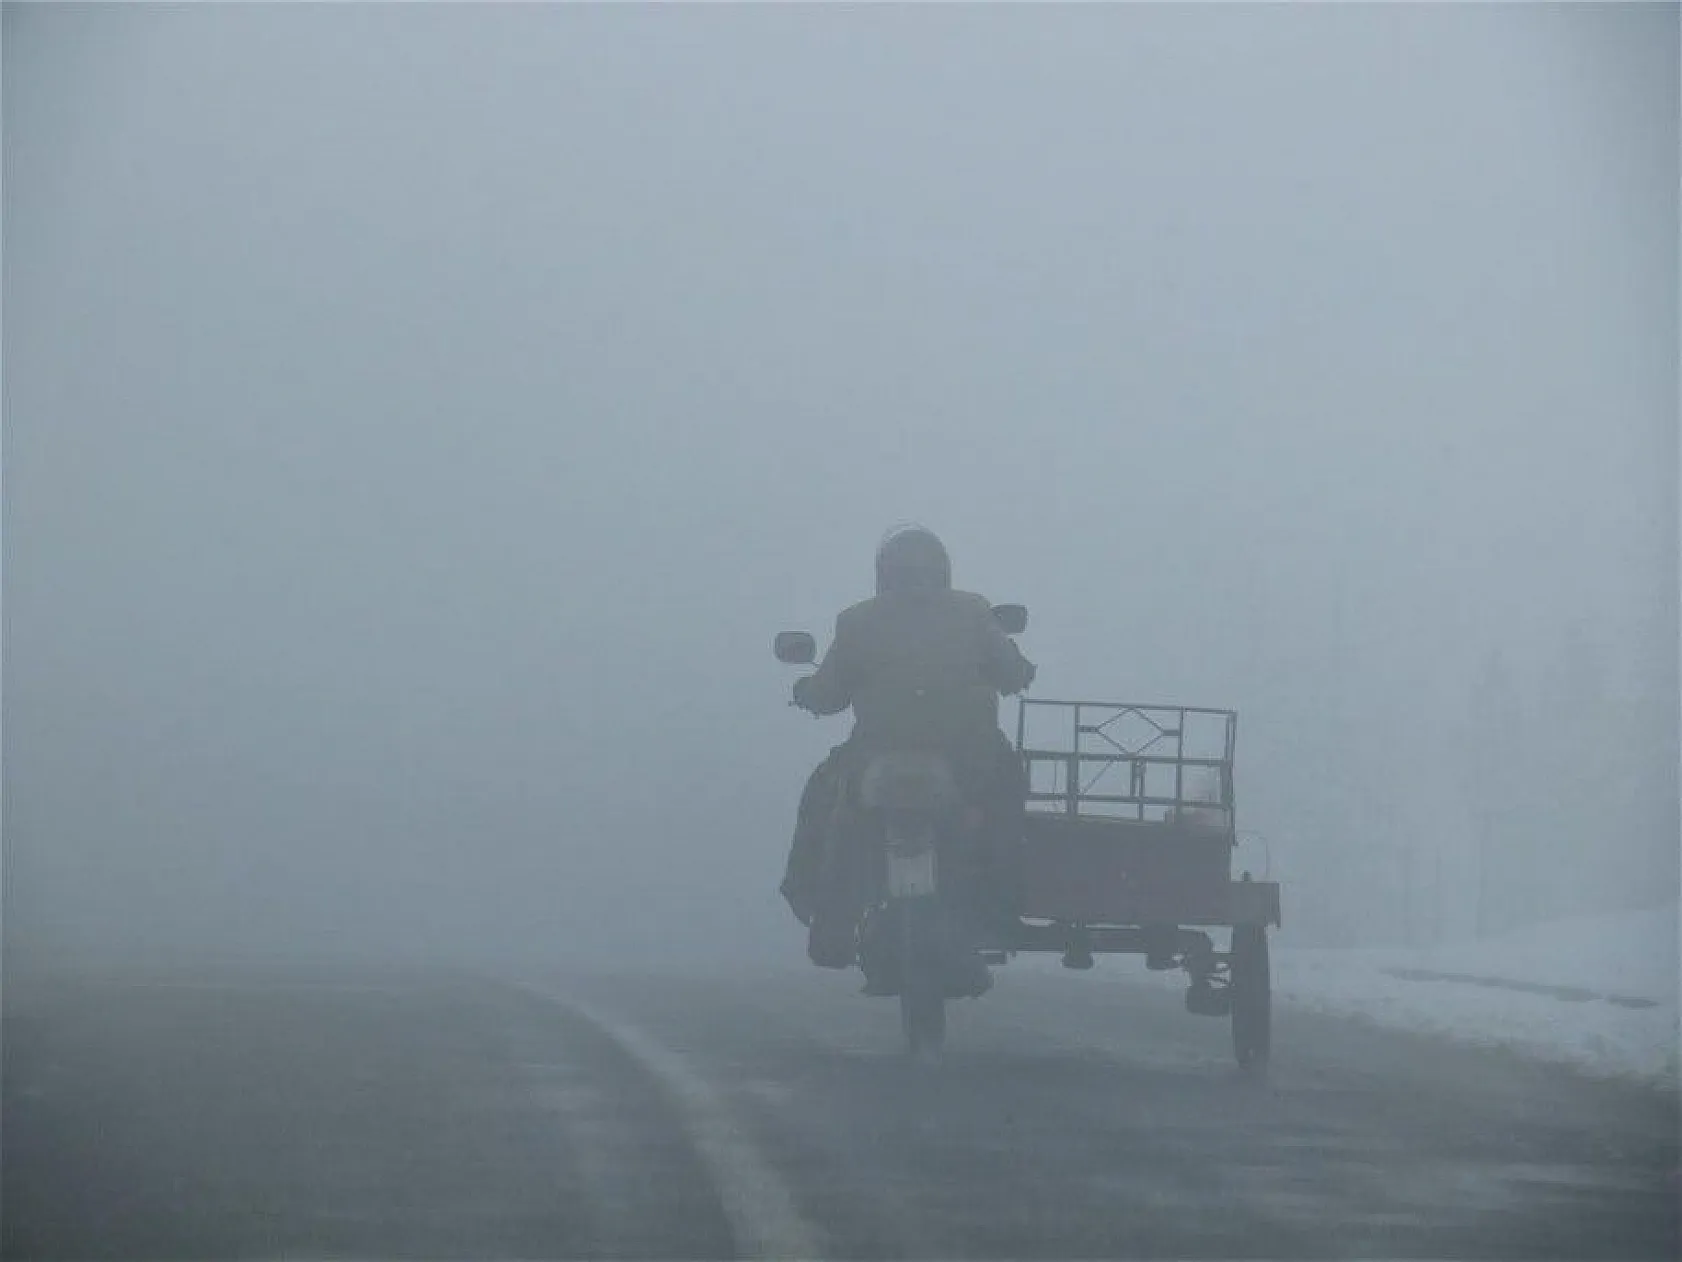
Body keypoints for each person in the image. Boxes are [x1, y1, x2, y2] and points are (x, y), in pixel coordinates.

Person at [778, 526, 1035, 971]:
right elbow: (1011, 673)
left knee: (825, 800)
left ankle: (832, 923)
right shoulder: (973, 611)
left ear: (883, 573)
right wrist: (1020, 669)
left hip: (877, 757)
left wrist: (806, 690)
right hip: (970, 758)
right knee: (1007, 807)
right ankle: (1000, 909)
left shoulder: (857, 620)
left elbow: (829, 694)